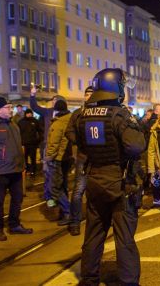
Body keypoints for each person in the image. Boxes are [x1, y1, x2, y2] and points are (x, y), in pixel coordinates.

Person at [71, 69, 146, 285]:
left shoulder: (81, 115)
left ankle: (89, 279)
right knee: (124, 239)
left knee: (93, 235)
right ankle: (128, 281)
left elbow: (77, 140)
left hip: (94, 179)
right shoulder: (119, 114)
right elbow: (136, 145)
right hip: (119, 182)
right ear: (117, 88)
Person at [0, 97, 33, 241]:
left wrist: (23, 165)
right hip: (0, 171)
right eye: (7, 107)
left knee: (17, 199)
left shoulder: (14, 124)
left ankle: (14, 224)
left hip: (17, 170)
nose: (10, 109)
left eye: (10, 107)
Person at [64, 86, 94, 236]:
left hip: (98, 158)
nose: (89, 96)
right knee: (78, 191)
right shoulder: (78, 113)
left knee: (96, 191)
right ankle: (75, 221)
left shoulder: (101, 111)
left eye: (92, 94)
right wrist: (79, 142)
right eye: (87, 94)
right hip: (83, 157)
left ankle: (95, 220)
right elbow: (68, 131)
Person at [30, 87, 66, 200]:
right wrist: (32, 95)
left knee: (60, 173)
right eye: (53, 100)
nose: (53, 102)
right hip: (48, 146)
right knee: (47, 171)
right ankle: (48, 196)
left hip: (61, 147)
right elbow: (35, 107)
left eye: (55, 100)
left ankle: (59, 195)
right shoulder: (47, 112)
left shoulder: (66, 115)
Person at [44, 100, 72, 225]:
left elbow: (53, 144)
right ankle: (64, 211)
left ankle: (67, 212)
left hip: (57, 159)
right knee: (63, 185)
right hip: (67, 158)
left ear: (56, 110)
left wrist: (48, 158)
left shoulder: (58, 123)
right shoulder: (70, 120)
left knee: (55, 187)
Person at [18, 109, 43, 179]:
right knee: (24, 158)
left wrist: (39, 140)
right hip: (23, 144)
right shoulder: (21, 122)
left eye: (30, 113)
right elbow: (18, 133)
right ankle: (25, 170)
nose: (29, 115)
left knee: (33, 158)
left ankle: (33, 171)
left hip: (33, 144)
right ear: (25, 114)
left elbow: (40, 131)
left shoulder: (35, 121)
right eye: (28, 113)